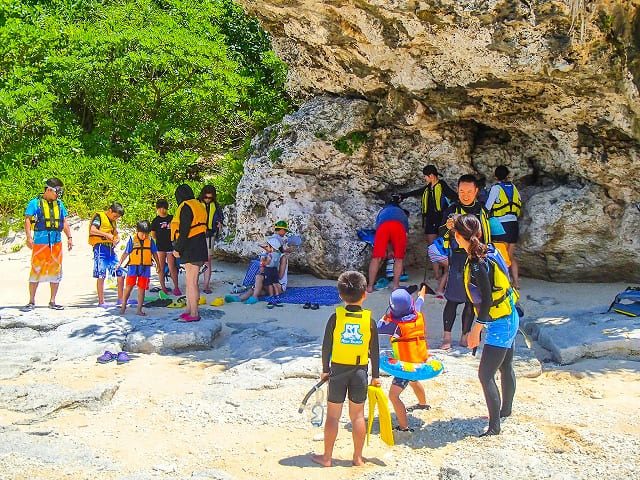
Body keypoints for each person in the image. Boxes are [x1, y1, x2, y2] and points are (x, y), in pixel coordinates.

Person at [453, 214, 519, 437]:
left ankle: (494, 427)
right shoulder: (489, 250)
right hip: (509, 316)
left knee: (485, 374)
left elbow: (487, 301)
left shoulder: (478, 264)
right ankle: (505, 411)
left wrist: (475, 331)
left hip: (502, 323)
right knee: (505, 366)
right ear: (479, 233)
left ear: (458, 237)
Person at [312, 271, 380, 467]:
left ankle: (326, 457)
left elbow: (326, 346)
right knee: (358, 415)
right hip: (359, 372)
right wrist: (375, 376)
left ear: (340, 296)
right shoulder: (369, 321)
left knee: (333, 415)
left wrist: (325, 369)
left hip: (337, 371)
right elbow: (374, 351)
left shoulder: (336, 318)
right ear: (365, 294)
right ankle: (358, 458)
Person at [438, 175, 491, 350]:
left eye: (469, 191)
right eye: (461, 191)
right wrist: (448, 226)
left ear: (476, 191)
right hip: (458, 258)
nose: (465, 195)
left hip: (475, 257)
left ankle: (464, 336)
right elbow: (441, 233)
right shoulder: (452, 210)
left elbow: (488, 236)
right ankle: (446, 337)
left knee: (471, 299)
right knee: (452, 298)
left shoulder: (482, 211)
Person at [376, 287, 431, 432]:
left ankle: (403, 427)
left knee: (394, 396)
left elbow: (377, 327)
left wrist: (386, 316)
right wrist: (421, 295)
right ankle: (423, 404)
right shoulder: (418, 315)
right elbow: (419, 302)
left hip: (405, 367)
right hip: (420, 361)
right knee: (414, 381)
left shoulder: (395, 326)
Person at [23, 177, 73, 310]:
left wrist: (69, 237)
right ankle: (31, 301)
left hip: (56, 242)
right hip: (40, 242)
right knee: (36, 270)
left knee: (56, 271)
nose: (58, 194)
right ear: (49, 189)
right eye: (57, 191)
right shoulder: (35, 203)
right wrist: (29, 237)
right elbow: (28, 220)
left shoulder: (60, 204)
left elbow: (64, 222)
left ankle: (52, 301)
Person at [402, 165, 456, 281]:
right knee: (432, 247)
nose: (425, 179)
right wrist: (403, 195)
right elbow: (416, 192)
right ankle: (437, 275)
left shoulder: (442, 185)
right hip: (430, 220)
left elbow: (454, 197)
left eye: (425, 176)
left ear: (431, 176)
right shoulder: (427, 188)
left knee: (445, 246)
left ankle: (447, 273)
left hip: (442, 220)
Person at [171, 184, 208, 322]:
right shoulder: (199, 205)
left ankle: (194, 313)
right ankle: (188, 309)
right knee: (190, 281)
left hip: (190, 248)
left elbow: (185, 231)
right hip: (200, 246)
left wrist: (177, 249)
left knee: (191, 282)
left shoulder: (186, 207)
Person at [485, 166, 522, 289]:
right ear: (508, 175)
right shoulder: (514, 187)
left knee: (501, 256)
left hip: (501, 224)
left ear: (496, 176)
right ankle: (516, 282)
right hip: (514, 224)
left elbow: (487, 207)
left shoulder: (496, 188)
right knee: (510, 255)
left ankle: (506, 282)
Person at [367, 194, 409, 293]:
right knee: (399, 259)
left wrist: (389, 250)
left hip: (383, 227)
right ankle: (395, 286)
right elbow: (406, 235)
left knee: (376, 258)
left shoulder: (382, 211)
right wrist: (397, 250)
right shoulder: (402, 213)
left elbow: (382, 232)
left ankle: (370, 287)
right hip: (398, 227)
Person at [117, 220, 160, 316]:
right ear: (137, 231)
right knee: (129, 287)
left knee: (142, 289)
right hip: (133, 268)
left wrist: (158, 265)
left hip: (145, 268)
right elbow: (126, 253)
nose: (144, 236)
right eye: (142, 234)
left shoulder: (150, 241)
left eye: (146, 234)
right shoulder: (132, 240)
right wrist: (120, 263)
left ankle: (139, 310)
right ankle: (123, 306)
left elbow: (155, 254)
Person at [89, 202, 126, 308]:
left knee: (120, 272)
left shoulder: (113, 221)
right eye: (115, 216)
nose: (116, 219)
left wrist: (117, 239)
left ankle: (120, 299)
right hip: (100, 248)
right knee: (101, 274)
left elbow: (115, 233)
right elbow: (93, 230)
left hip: (111, 249)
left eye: (118, 217)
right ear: (110, 211)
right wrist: (106, 234)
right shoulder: (99, 217)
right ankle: (101, 302)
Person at [151, 199, 180, 295]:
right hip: (160, 246)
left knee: (172, 267)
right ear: (157, 209)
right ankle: (163, 288)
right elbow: (153, 235)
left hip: (170, 246)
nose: (162, 210)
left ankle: (176, 287)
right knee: (161, 267)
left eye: (164, 208)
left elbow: (177, 230)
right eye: (160, 208)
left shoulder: (172, 218)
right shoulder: (155, 221)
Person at [198, 185, 223, 294]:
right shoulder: (197, 204)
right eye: (206, 198)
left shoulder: (216, 206)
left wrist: (219, 224)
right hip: (198, 235)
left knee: (208, 260)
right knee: (197, 260)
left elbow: (221, 218)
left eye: (210, 198)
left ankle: (206, 285)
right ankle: (194, 283)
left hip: (210, 234)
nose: (207, 200)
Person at [259, 237, 283, 308]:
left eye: (268, 246)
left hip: (269, 271)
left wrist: (263, 261)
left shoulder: (270, 255)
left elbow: (267, 262)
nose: (267, 248)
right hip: (275, 270)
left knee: (270, 284)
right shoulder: (278, 255)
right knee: (275, 283)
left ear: (271, 247)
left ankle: (271, 296)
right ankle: (277, 296)